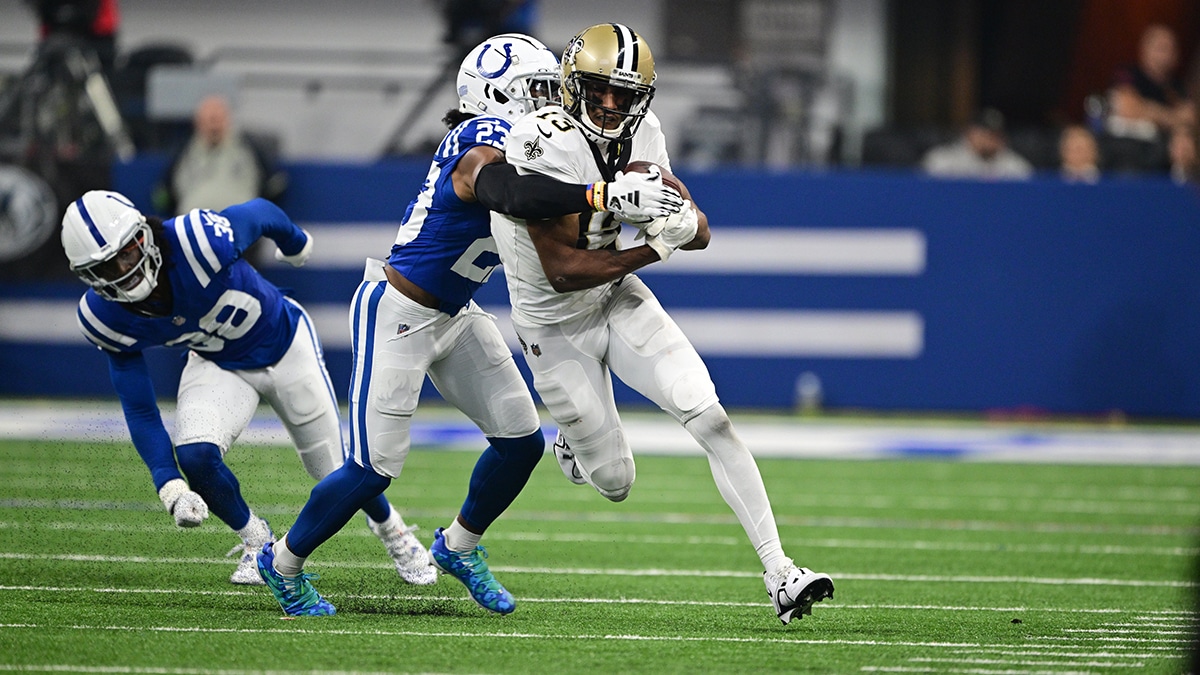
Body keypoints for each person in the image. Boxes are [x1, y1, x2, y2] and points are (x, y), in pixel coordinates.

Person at [254, 33, 683, 617]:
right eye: (537, 89)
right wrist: (601, 191)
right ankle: (281, 563)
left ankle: (458, 546)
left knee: (520, 443)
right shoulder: (478, 138)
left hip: (456, 315)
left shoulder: (545, 144)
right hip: (399, 309)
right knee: (372, 469)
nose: (552, 99)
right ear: (498, 95)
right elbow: (507, 190)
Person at [490, 22, 834, 625]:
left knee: (712, 418)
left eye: (624, 94)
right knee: (616, 481)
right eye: (600, 90)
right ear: (573, 84)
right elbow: (563, 271)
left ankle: (781, 571)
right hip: (552, 322)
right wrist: (651, 247)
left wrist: (681, 225)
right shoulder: (538, 139)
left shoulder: (645, 132)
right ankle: (573, 442)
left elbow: (696, 229)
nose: (611, 105)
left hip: (617, 297)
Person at [60, 191, 437, 587]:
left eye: (126, 252)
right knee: (195, 454)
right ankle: (257, 541)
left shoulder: (195, 241)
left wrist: (294, 241)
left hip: (285, 344)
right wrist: (168, 485)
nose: (124, 270)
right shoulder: (104, 316)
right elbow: (138, 408)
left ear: (144, 234)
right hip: (219, 362)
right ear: (88, 276)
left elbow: (259, 213)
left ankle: (394, 531)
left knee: (333, 471)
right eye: (105, 267)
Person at [154, 95, 284, 216]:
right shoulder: (183, 151)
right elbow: (165, 192)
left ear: (228, 119)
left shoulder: (250, 147)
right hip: (193, 227)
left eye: (218, 119)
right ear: (198, 122)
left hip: (240, 227)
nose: (214, 125)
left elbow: (274, 185)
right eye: (209, 119)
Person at [1107, 24, 1195, 142]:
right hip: (1125, 145)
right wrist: (1172, 117)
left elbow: (1189, 119)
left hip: (1160, 151)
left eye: (1171, 49)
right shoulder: (1127, 73)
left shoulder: (1177, 87)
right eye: (1161, 48)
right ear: (1144, 49)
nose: (1166, 55)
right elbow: (1128, 108)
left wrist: (1146, 109)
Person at [922, 107, 1033, 180]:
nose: (990, 139)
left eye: (995, 134)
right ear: (969, 132)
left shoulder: (1014, 166)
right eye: (984, 133)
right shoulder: (943, 160)